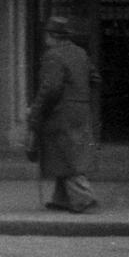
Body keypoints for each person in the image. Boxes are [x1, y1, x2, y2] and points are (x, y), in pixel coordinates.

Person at [28, 17, 98, 214]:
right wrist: (80, 96)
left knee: (66, 154)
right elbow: (95, 78)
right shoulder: (80, 52)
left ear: (51, 36)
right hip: (80, 109)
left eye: (46, 35)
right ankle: (62, 198)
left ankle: (84, 199)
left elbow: (50, 88)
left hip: (60, 111)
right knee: (67, 151)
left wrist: (36, 110)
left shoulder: (53, 55)